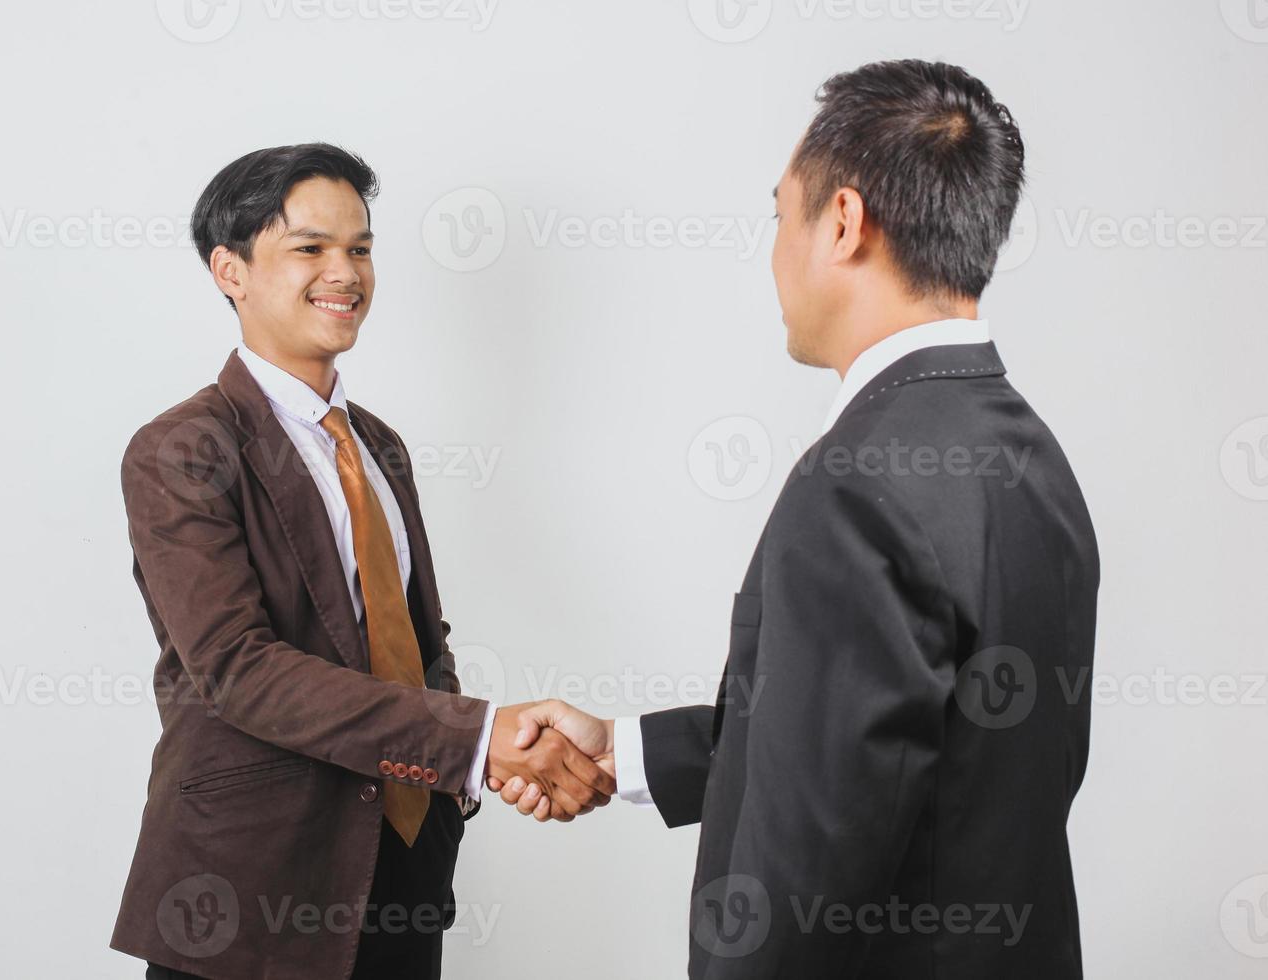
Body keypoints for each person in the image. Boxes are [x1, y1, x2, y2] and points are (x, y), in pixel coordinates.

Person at [496, 60, 1099, 979]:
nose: (774, 245)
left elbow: (809, 857)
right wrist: (626, 753)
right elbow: (897, 744)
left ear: (845, 222)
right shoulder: (1032, 454)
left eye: (780, 213)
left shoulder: (856, 486)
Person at [108, 143, 615, 980]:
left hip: (401, 871)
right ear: (229, 271)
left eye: (361, 248)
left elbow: (419, 641)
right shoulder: (182, 449)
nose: (345, 273)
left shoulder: (379, 445)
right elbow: (239, 670)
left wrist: (459, 775)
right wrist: (480, 739)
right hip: (246, 895)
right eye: (309, 248)